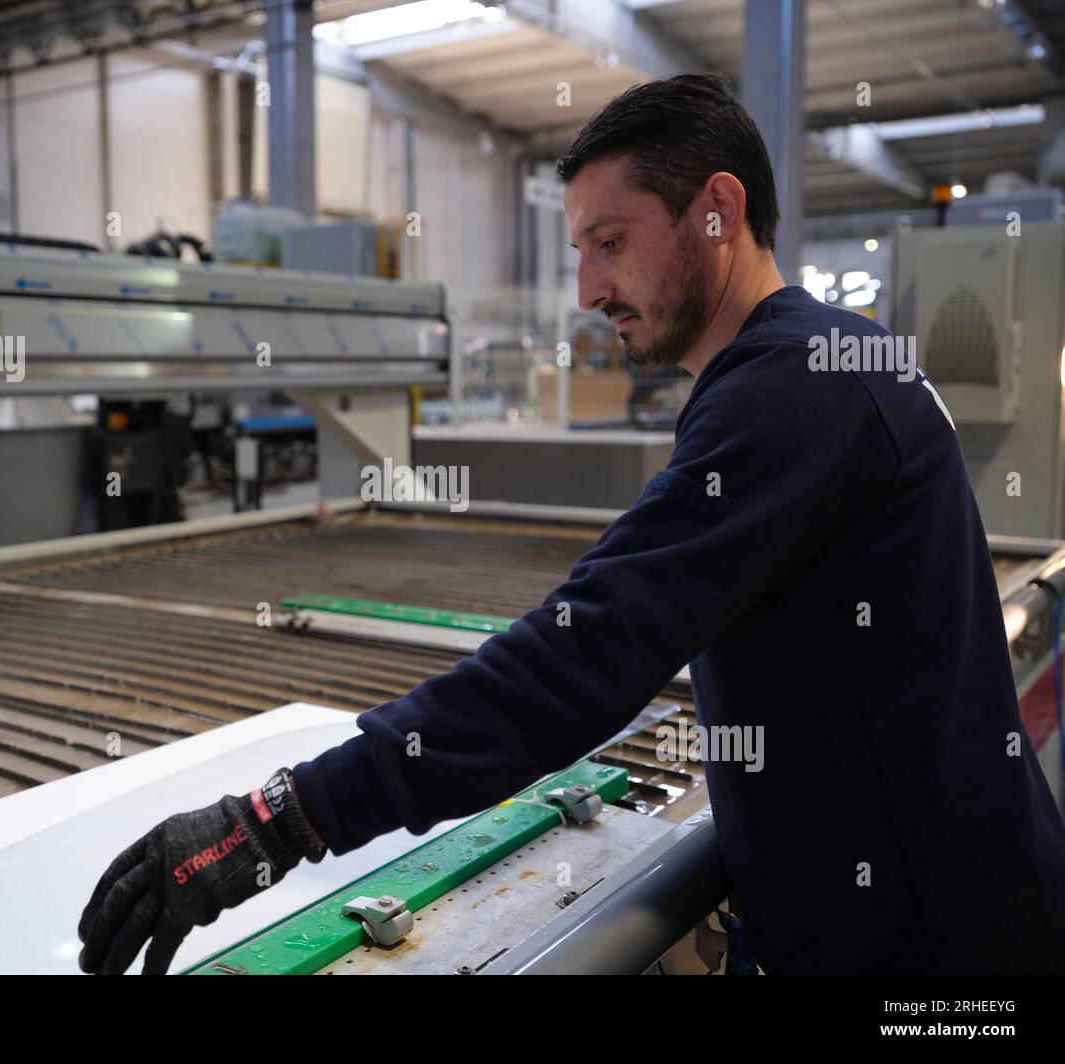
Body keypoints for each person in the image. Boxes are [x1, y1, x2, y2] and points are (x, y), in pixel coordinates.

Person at [78, 74, 1065, 976]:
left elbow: (580, 655)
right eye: (580, 253)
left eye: (610, 242)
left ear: (717, 212)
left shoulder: (792, 387)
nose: (589, 292)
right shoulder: (828, 354)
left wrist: (280, 816)